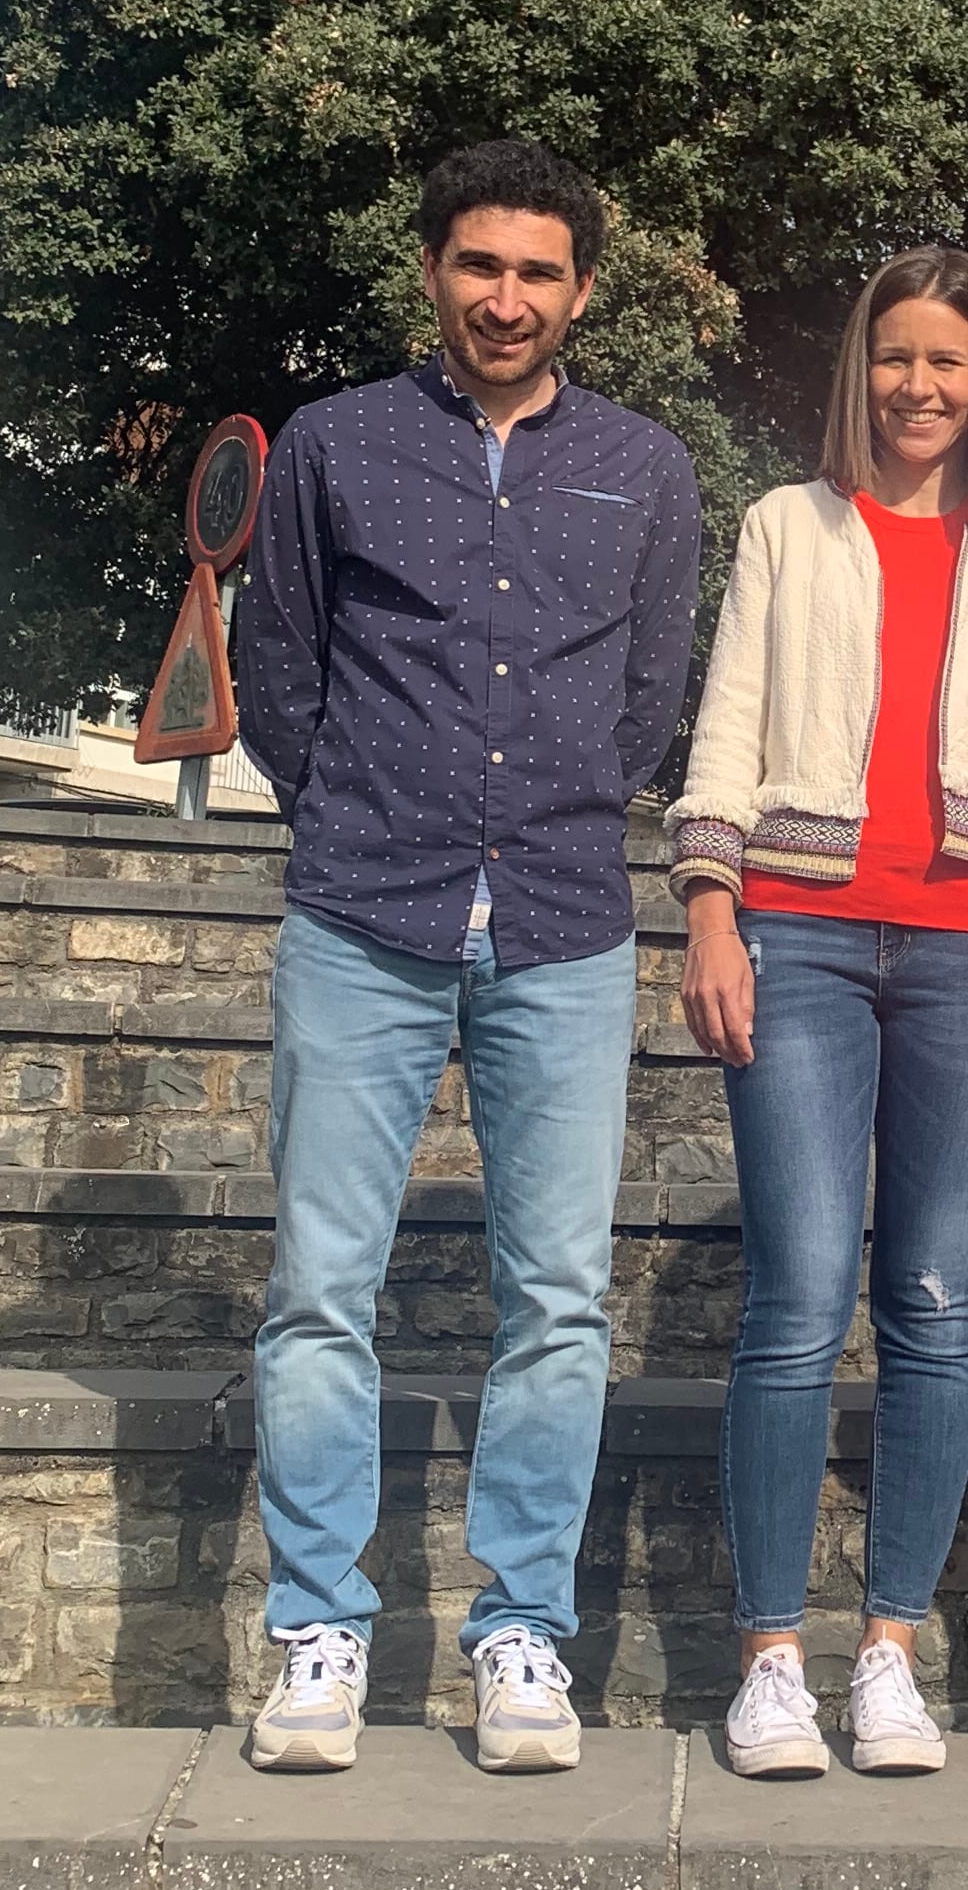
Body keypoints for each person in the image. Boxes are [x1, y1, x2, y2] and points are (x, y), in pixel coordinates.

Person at [233, 139, 701, 1776]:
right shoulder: (336, 446)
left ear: (584, 288)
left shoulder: (645, 470)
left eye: (540, 272)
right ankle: (316, 1628)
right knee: (318, 1290)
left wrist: (560, 810)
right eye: (480, 265)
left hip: (566, 924)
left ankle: (520, 1635)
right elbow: (278, 666)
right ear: (432, 269)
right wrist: (361, 808)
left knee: (560, 1299)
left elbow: (654, 693)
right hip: (366, 912)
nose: (508, 298)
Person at [670, 248, 968, 1780]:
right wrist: (710, 905)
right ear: (858, 369)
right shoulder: (788, 528)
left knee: (931, 1304)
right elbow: (724, 722)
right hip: (798, 935)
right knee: (796, 1299)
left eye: (949, 362)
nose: (920, 387)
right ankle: (771, 1658)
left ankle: (892, 1655)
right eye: (895, 358)